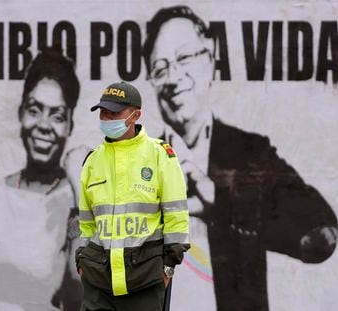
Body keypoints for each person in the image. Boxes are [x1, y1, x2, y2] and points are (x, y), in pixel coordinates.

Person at [143, 5, 338, 311]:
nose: (173, 77)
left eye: (183, 58)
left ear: (210, 59)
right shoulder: (137, 162)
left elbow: (321, 230)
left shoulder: (251, 154)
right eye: (160, 68)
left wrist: (222, 202)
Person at [0, 47, 82, 310]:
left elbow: (81, 295)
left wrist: (82, 197)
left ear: (70, 126)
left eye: (57, 116)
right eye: (35, 110)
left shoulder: (74, 203)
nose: (44, 125)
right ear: (20, 113)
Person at [75, 81, 190, 311]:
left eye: (114, 113)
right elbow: (86, 223)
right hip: (98, 281)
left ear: (135, 115)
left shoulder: (160, 155)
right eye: (104, 113)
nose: (107, 119)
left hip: (144, 281)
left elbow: (177, 218)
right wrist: (82, 262)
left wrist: (168, 268)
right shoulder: (92, 161)